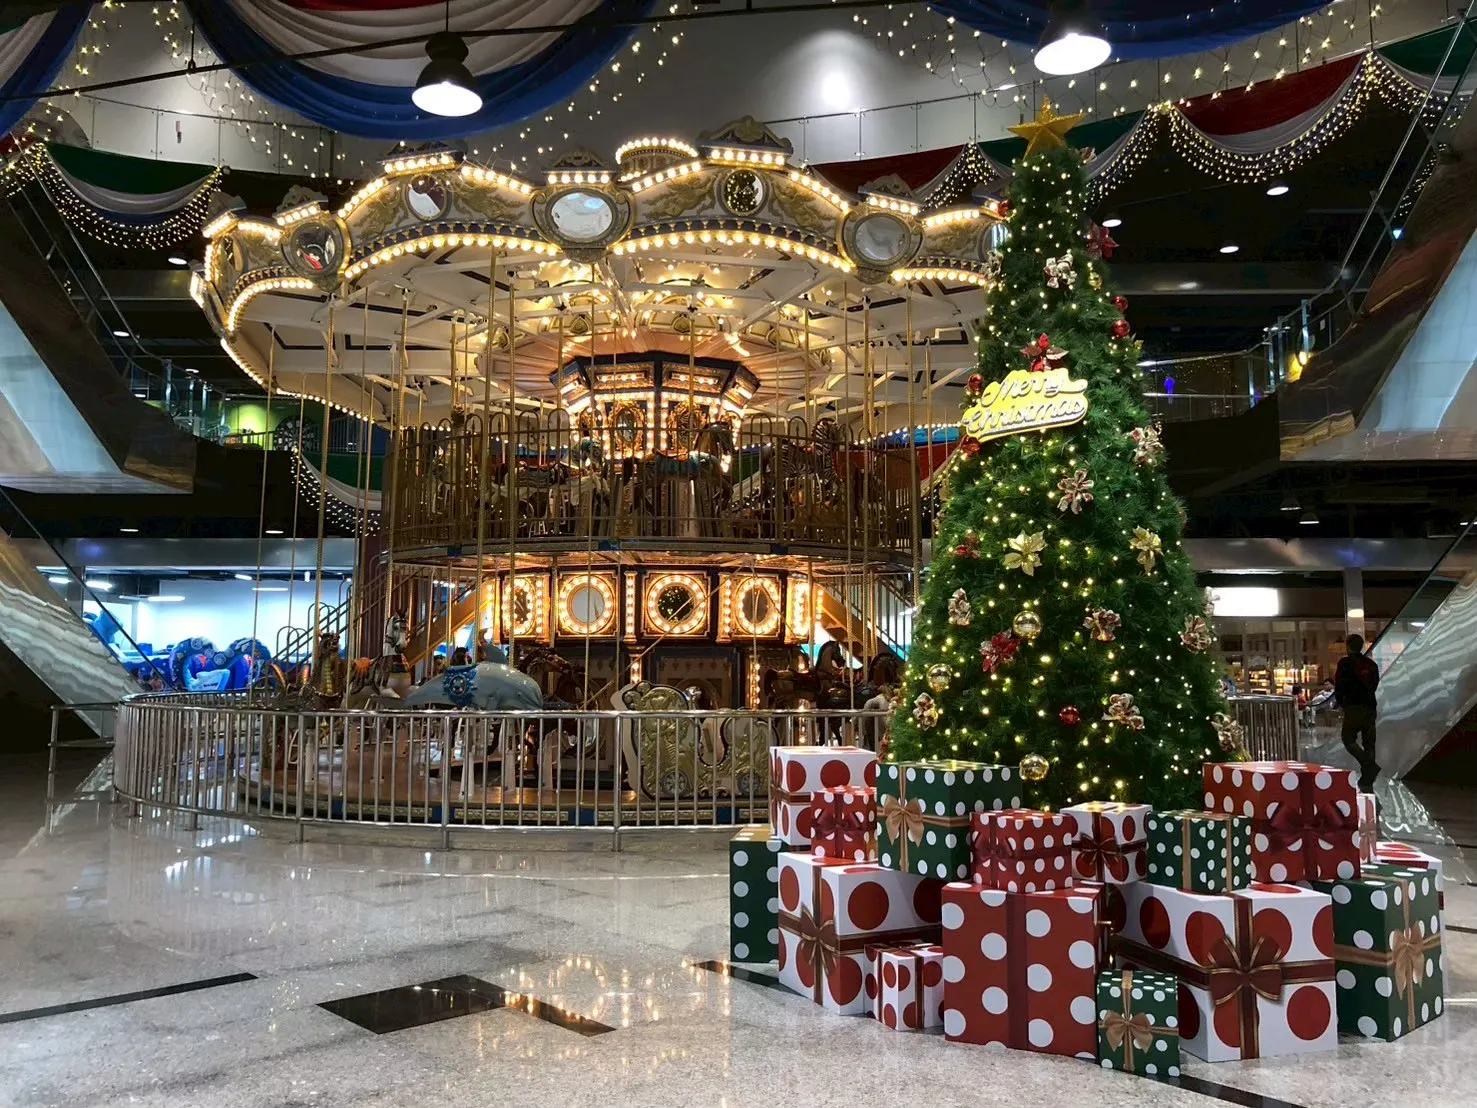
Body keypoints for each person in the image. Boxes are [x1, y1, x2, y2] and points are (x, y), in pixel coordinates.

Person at [1334, 634, 1380, 791]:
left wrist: (1341, 703)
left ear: (1348, 646)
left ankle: (1369, 765)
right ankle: (1367, 778)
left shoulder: (1345, 663)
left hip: (1353, 707)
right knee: (1369, 742)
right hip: (1370, 706)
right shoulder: (1371, 664)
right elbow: (1374, 685)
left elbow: (1340, 686)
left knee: (1348, 738)